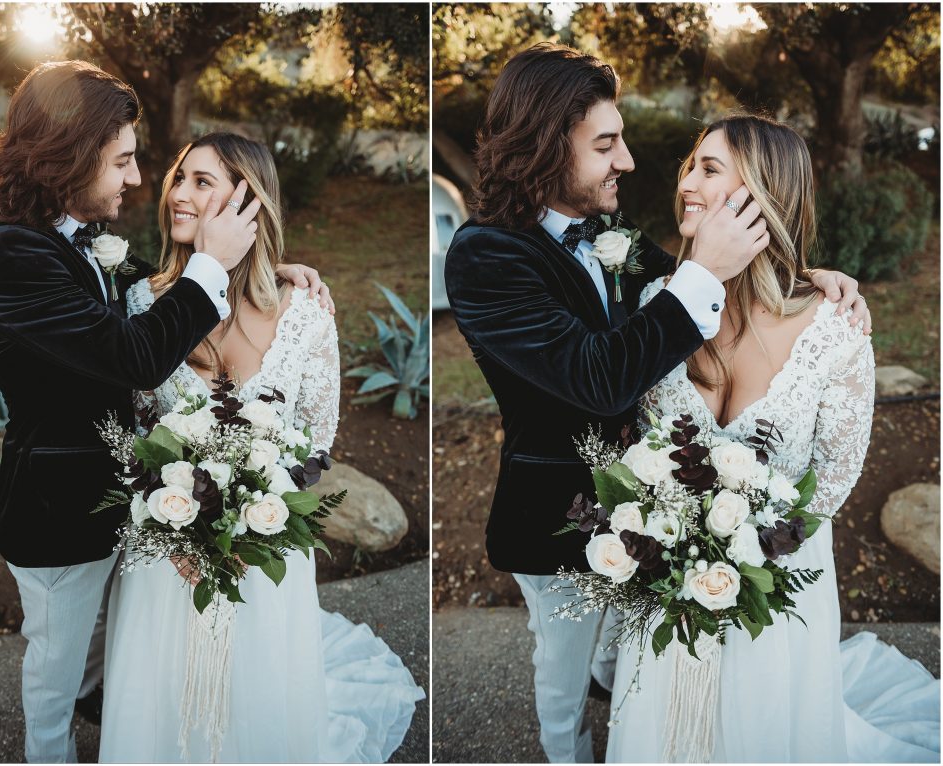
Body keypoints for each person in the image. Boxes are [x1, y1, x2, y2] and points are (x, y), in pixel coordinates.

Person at [443, 43, 870, 764]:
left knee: (636, 661)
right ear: (548, 146)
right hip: (558, 513)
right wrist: (704, 269)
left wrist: (806, 276)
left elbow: (702, 286)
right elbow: (601, 375)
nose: (629, 161)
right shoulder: (485, 256)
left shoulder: (610, 234)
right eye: (605, 144)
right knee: (563, 672)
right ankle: (569, 753)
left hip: (658, 519)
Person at [0, 60, 330, 763]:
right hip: (61, 511)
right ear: (71, 156)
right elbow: (134, 355)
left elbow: (134, 290)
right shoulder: (8, 253)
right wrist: (212, 265)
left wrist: (258, 267)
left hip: (128, 513)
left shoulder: (63, 239)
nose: (137, 179)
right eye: (122, 161)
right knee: (57, 677)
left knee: (120, 663)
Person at [605, 114, 939, 763]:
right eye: (690, 166)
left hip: (775, 592)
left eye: (709, 169)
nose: (686, 183)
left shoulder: (835, 325)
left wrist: (740, 558)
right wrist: (676, 550)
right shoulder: (655, 303)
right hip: (666, 582)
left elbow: (833, 479)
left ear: (762, 193)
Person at [98, 132, 424, 763]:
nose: (178, 194)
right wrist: (176, 536)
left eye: (202, 182)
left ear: (247, 204)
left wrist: (253, 529)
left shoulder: (305, 312)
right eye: (179, 178)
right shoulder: (141, 303)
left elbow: (316, 447)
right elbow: (134, 436)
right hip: (167, 561)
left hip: (265, 554)